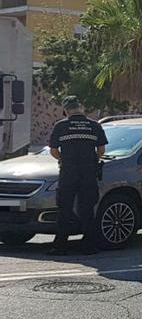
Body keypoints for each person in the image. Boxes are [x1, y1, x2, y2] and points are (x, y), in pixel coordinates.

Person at [47, 96, 108, 255]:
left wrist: (64, 159)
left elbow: (53, 151)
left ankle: (60, 246)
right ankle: (88, 245)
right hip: (88, 173)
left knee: (64, 209)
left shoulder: (61, 126)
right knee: (87, 209)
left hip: (68, 173)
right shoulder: (94, 126)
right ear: (81, 108)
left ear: (66, 110)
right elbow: (101, 151)